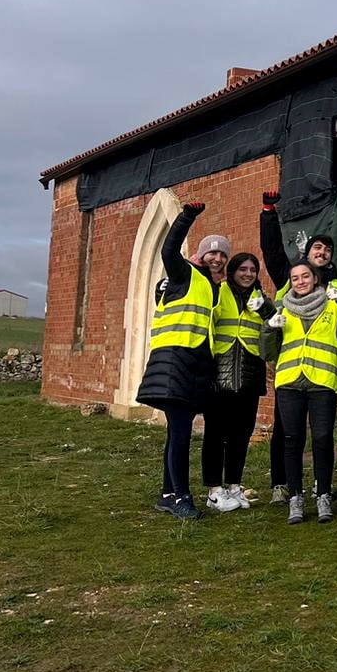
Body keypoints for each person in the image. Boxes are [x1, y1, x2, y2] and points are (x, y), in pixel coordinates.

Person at [263, 259, 337, 524]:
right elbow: (267, 352)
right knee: (292, 440)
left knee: (323, 438)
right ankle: (295, 498)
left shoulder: (333, 306)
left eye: (305, 276)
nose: (300, 282)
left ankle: (323, 494)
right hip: (290, 381)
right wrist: (268, 329)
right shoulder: (282, 309)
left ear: (315, 278)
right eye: (295, 278)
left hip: (323, 380)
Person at [136, 201, 226, 521]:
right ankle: (181, 497)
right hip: (174, 362)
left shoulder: (211, 287)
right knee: (181, 433)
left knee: (177, 431)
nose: (217, 257)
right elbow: (168, 251)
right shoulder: (184, 272)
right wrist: (186, 217)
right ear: (200, 255)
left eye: (222, 254)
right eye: (211, 252)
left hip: (193, 365)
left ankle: (166, 494)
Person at [201, 251, 273, 513]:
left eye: (252, 270)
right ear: (232, 271)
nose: (248, 274)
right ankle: (214, 489)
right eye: (243, 269)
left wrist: (265, 308)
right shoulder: (219, 292)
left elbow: (274, 326)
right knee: (215, 434)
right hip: (220, 372)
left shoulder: (261, 299)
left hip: (250, 375)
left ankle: (233, 484)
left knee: (241, 434)